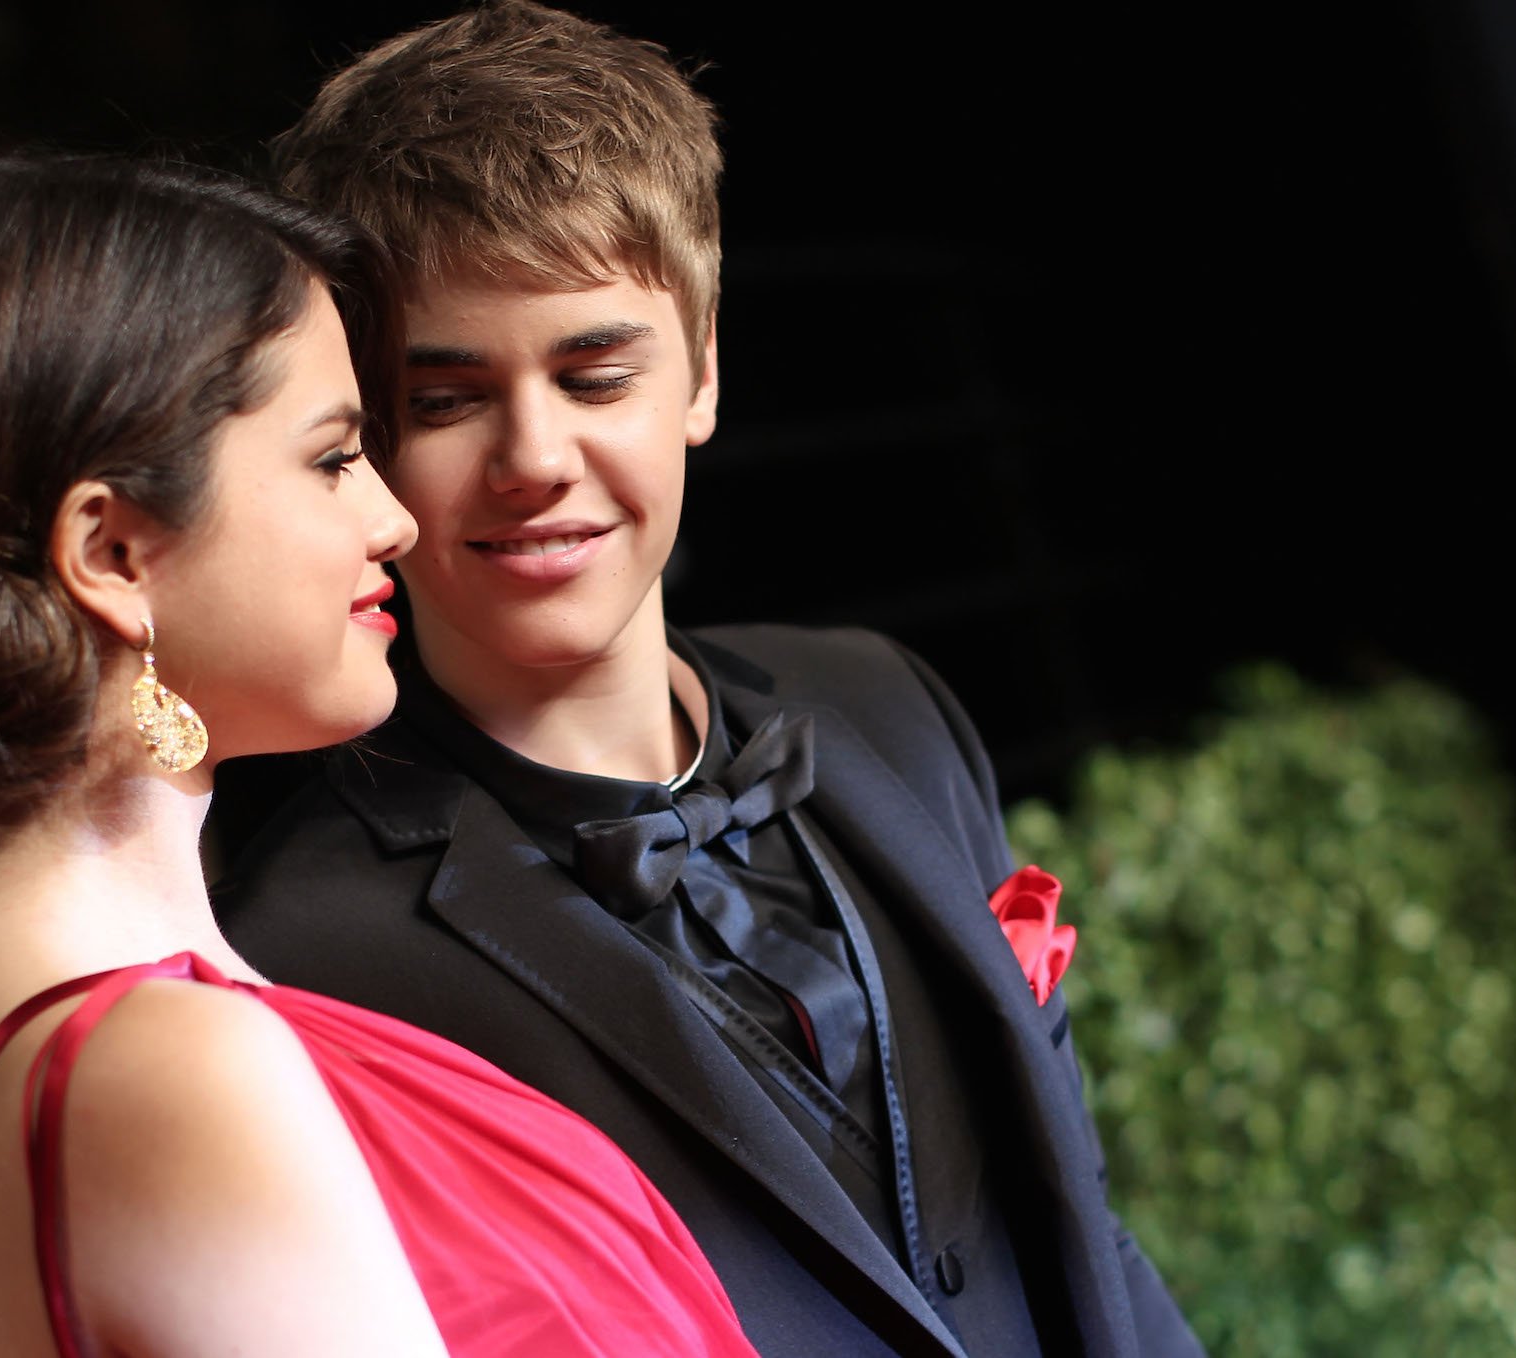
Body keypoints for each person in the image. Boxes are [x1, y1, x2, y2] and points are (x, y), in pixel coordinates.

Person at [211, 5, 1205, 1356]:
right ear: (365, 431)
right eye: (446, 399)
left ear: (705, 370)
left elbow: (1082, 1226)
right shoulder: (299, 948)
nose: (534, 455)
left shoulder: (883, 702)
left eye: (596, 372)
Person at [0, 153, 759, 1357]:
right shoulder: (170, 1066)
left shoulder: (0, 1023)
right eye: (331, 456)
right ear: (113, 551)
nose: (392, 518)